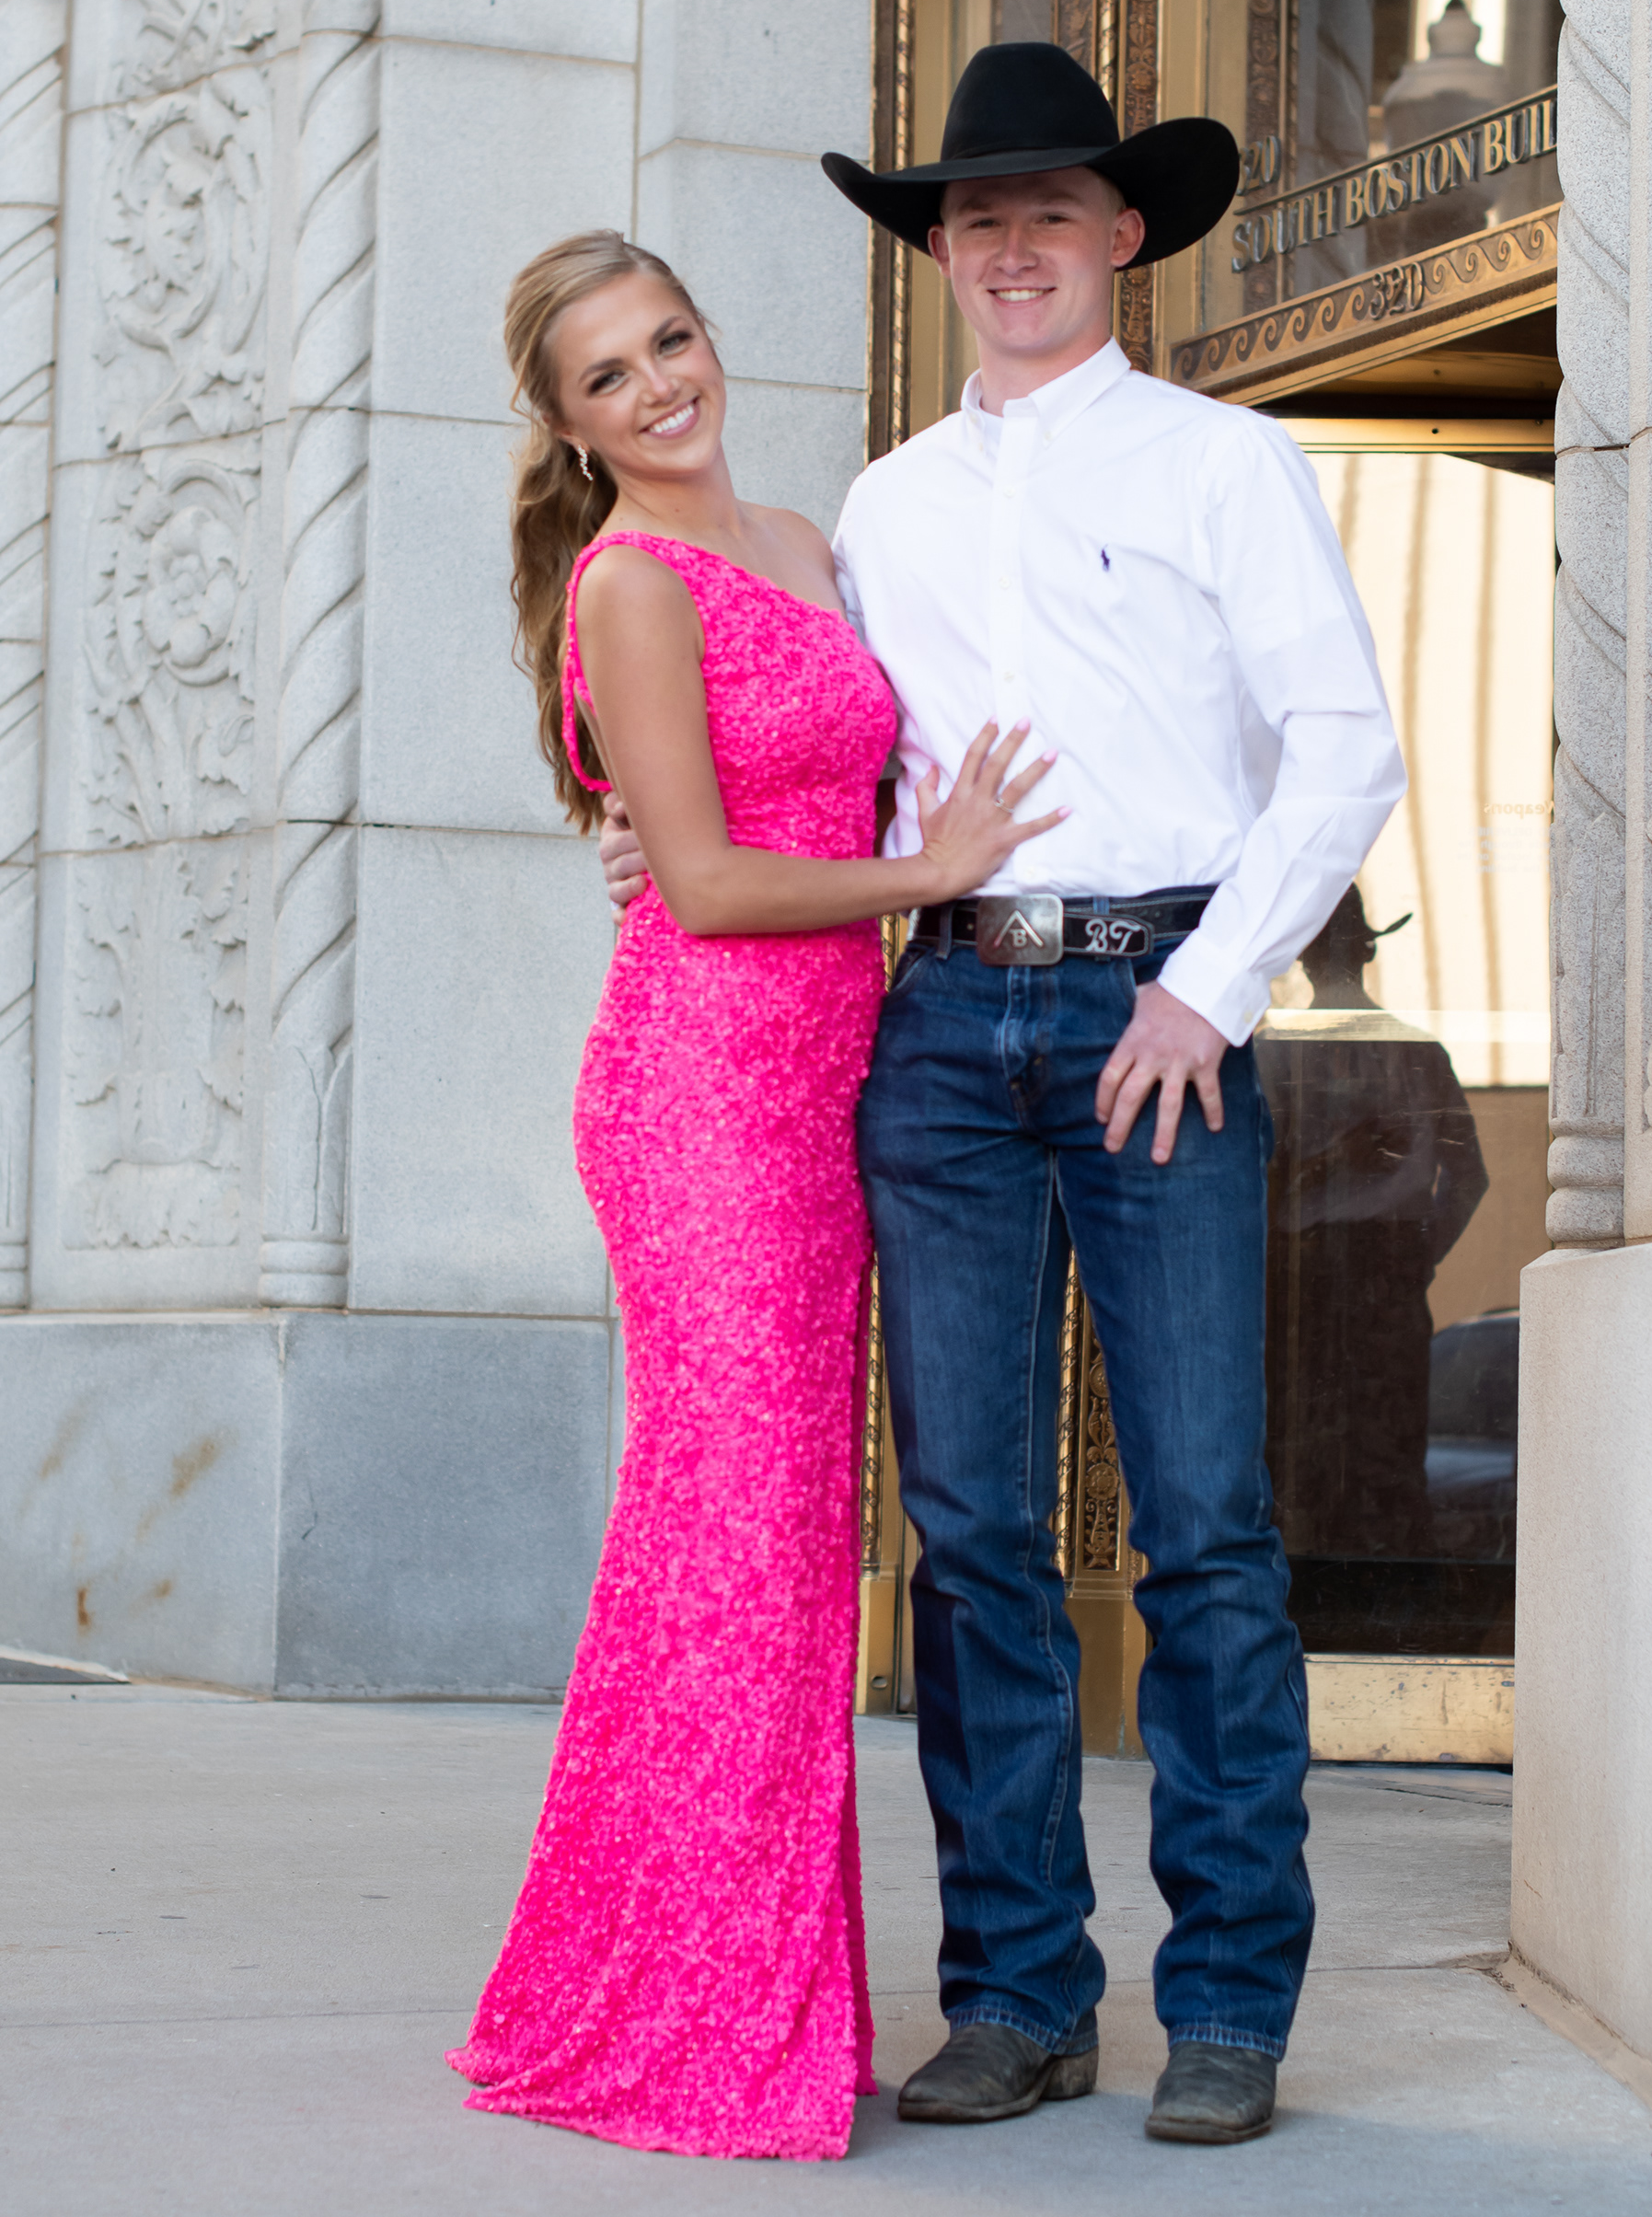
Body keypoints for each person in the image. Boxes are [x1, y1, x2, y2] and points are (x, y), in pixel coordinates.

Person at [608, 41, 1404, 2145]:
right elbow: (812, 745)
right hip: (946, 1029)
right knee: (970, 1539)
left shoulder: (1226, 465)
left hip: (1158, 1010)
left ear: (1123, 232)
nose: (1014, 248)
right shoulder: (885, 506)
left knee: (1205, 1533)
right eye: (978, 219)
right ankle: (1021, 1994)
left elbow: (1344, 750)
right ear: (941, 252)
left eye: (1052, 210)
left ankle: (1224, 2007)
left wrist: (1210, 994)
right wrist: (650, 837)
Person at [446, 230, 1064, 2162]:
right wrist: (932, 875)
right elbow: (707, 886)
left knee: (772, 1553)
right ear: (570, 429)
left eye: (670, 341)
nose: (660, 388)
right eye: (609, 378)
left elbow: (786, 794)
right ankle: (690, 2023)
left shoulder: (806, 540)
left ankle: (698, 1986)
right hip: (702, 1097)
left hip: (823, 1092)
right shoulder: (629, 582)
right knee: (735, 1547)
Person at [1258, 887, 1487, 1576]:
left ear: (1304, 955)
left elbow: (1468, 1177)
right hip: (1338, 1271)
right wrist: (1417, 1256)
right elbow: (1468, 1178)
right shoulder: (1406, 1051)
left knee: (1318, 1454)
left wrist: (1413, 1257)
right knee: (1358, 1455)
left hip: (1320, 1271)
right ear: (1366, 950)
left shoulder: (1278, 1051)